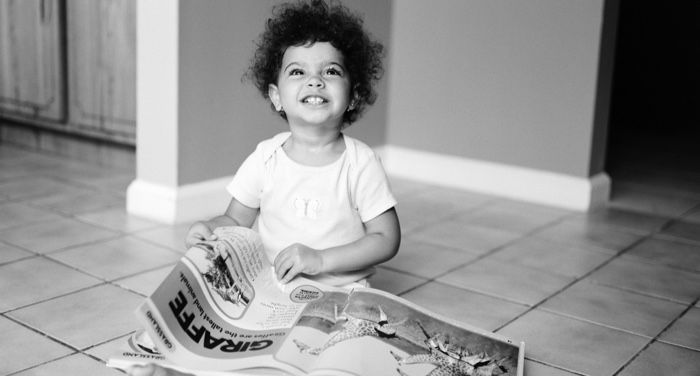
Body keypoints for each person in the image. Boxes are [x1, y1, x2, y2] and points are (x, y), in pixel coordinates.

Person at [128, 1, 398, 374]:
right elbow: (235, 218)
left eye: (331, 71)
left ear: (352, 95)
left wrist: (320, 260)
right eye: (298, 71)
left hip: (341, 293)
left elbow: (386, 238)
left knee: (336, 357)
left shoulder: (360, 162)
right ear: (276, 96)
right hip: (273, 290)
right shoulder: (266, 158)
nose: (314, 80)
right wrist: (211, 229)